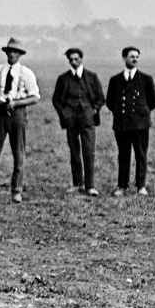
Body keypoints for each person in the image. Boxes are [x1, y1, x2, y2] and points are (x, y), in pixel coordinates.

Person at [0, 38, 40, 202]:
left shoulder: (26, 73)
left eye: (16, 52)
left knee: (18, 152)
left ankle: (16, 190)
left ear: (20, 55)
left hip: (18, 114)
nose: (12, 54)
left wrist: (17, 103)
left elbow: (35, 97)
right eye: (10, 51)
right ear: (6, 52)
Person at [52, 47, 105, 196]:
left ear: (82, 59)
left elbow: (101, 98)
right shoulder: (63, 78)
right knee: (74, 151)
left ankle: (90, 186)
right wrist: (64, 113)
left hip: (87, 119)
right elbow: (56, 99)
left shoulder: (92, 77)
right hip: (71, 120)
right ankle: (77, 184)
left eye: (76, 59)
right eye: (71, 60)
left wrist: (94, 110)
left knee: (89, 151)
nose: (74, 62)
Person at [106, 47, 155, 197]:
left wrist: (141, 113)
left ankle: (141, 186)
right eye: (131, 56)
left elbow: (152, 101)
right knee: (123, 155)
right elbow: (110, 102)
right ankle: (122, 186)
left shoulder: (146, 79)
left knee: (141, 155)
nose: (135, 59)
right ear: (124, 58)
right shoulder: (115, 80)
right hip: (122, 124)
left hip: (140, 124)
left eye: (137, 57)